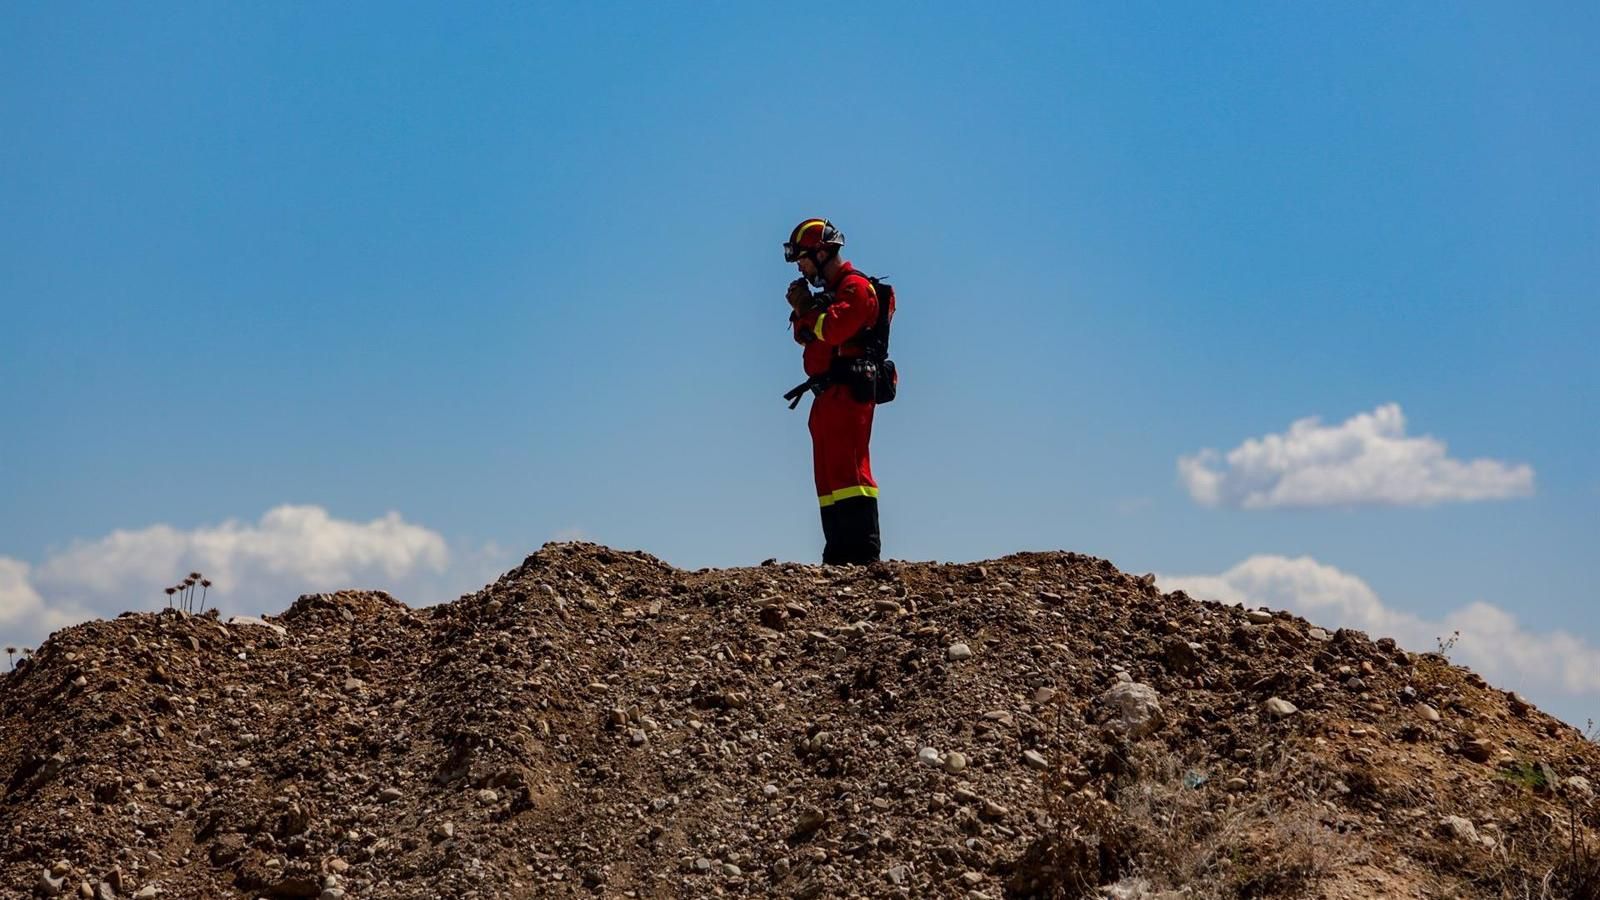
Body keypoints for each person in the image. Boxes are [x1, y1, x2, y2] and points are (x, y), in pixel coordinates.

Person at [782, 217, 887, 565]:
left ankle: (862, 550)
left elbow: (834, 329)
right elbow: (803, 333)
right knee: (827, 474)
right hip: (825, 396)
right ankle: (838, 553)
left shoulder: (855, 288)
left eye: (804, 258)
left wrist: (808, 310)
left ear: (823, 252)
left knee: (850, 470)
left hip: (849, 390)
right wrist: (809, 313)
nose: (800, 266)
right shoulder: (828, 295)